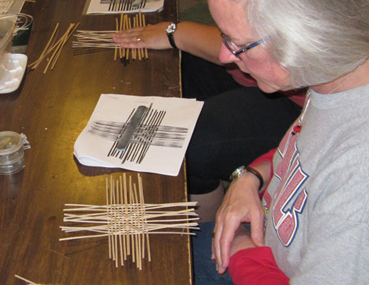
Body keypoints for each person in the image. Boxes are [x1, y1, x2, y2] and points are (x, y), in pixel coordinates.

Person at [198, 0, 369, 283]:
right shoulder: (331, 78)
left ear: (304, 36)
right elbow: (305, 152)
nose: (224, 55)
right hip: (264, 235)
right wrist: (250, 178)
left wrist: (242, 247)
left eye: (238, 44)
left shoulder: (358, 184)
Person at [113, 20, 305, 222]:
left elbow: (273, 55)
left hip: (297, 107)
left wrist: (177, 33)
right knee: (175, 68)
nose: (225, 55)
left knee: (187, 140)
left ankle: (206, 233)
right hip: (259, 80)